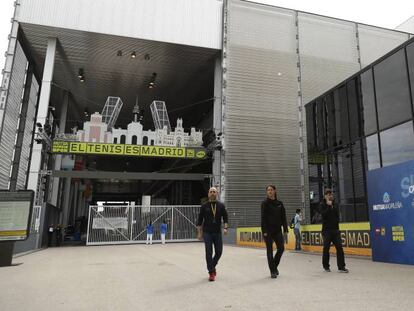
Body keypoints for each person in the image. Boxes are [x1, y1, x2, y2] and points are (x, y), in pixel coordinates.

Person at [197, 187, 229, 282]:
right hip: (207, 233)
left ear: (217, 194)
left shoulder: (221, 205)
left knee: (219, 252)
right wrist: (199, 233)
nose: (212, 193)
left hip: (217, 232)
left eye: (214, 192)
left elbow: (226, 218)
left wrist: (225, 228)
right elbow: (199, 221)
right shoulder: (204, 206)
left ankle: (212, 266)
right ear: (208, 194)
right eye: (210, 192)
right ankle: (211, 273)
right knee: (208, 252)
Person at [261, 185, 288, 279]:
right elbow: (263, 218)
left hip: (277, 230)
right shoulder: (264, 203)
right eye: (268, 190)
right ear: (266, 192)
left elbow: (283, 217)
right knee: (269, 250)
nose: (270, 191)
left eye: (271, 190)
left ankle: (274, 266)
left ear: (275, 191)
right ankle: (273, 271)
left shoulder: (280, 203)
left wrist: (285, 229)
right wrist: (264, 231)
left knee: (281, 249)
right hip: (268, 231)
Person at [319, 189, 349, 273]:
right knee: (326, 248)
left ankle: (341, 267)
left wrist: (332, 206)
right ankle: (326, 266)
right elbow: (324, 215)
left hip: (335, 230)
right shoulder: (322, 204)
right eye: (328, 194)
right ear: (325, 196)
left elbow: (337, 214)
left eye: (331, 194)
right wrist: (328, 206)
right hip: (326, 230)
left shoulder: (335, 204)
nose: (330, 196)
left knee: (339, 247)